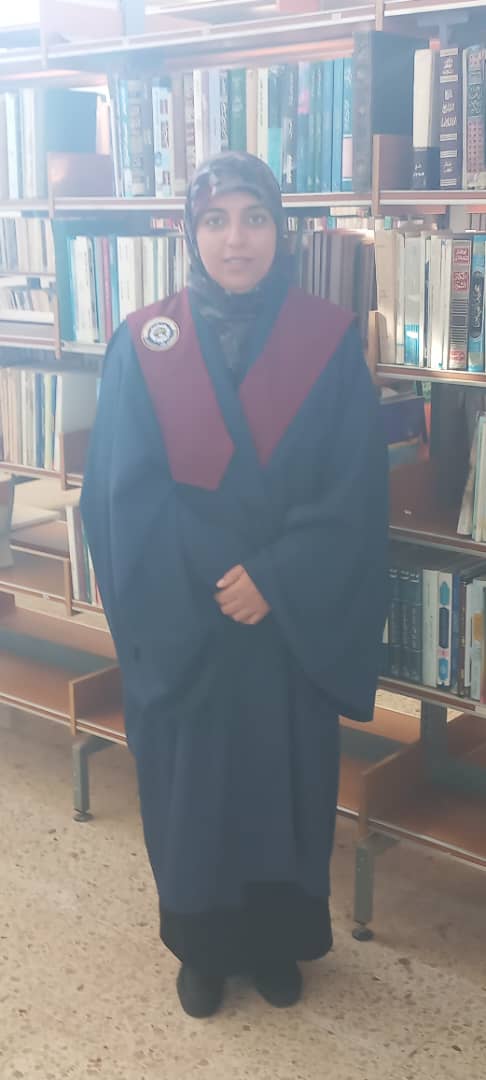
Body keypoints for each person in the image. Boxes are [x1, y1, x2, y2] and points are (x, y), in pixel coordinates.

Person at [80, 151, 388, 1019]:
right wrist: (217, 578)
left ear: (281, 230)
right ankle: (202, 949)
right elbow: (121, 495)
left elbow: (354, 492)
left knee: (283, 788)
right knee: (194, 794)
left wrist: (275, 579)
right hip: (189, 619)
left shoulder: (326, 342)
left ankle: (278, 942)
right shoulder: (146, 342)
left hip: (285, 624)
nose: (236, 239)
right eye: (215, 220)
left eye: (254, 217)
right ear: (190, 233)